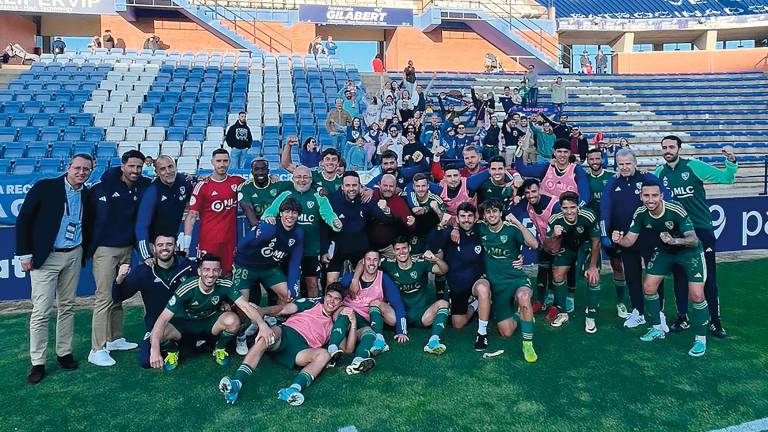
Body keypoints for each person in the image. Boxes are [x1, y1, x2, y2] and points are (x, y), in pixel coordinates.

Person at [16, 154, 94, 384]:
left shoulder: (87, 194)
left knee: (67, 306)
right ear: (68, 166)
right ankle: (37, 361)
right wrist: (24, 253)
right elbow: (24, 219)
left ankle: (64, 352)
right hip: (47, 257)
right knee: (41, 311)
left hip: (73, 254)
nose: (81, 172)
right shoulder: (46, 187)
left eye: (86, 169)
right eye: (77, 167)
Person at [612, 182, 710, 357]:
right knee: (649, 287)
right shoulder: (641, 213)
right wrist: (619, 239)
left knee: (696, 295)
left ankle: (701, 339)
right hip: (665, 251)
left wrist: (674, 241)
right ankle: (657, 328)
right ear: (641, 197)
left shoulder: (675, 210)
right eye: (646, 196)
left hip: (689, 252)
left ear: (661, 196)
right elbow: (630, 241)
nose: (650, 200)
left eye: (654, 196)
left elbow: (694, 240)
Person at [654, 135, 737, 337]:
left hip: (701, 230)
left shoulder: (694, 166)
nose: (668, 150)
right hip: (677, 233)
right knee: (680, 276)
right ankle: (682, 318)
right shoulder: (659, 173)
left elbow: (727, 178)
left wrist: (731, 161)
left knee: (708, 278)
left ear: (679, 149)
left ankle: (715, 321)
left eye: (671, 147)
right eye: (664, 147)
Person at [219, 283, 352, 406]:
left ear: (341, 302)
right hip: (286, 334)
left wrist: (353, 323)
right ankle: (237, 382)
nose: (331, 301)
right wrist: (263, 311)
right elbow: (283, 308)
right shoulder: (311, 304)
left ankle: (293, 390)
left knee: (324, 355)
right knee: (267, 336)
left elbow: (346, 349)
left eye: (336, 299)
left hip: (302, 350)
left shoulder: (336, 325)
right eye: (329, 296)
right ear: (325, 296)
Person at [149, 254, 273, 371]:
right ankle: (172, 351)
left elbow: (245, 306)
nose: (210, 274)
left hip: (209, 323)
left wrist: (262, 325)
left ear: (220, 272)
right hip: (185, 324)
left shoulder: (226, 285)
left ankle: (220, 348)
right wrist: (155, 350)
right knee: (158, 333)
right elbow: (163, 318)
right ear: (199, 271)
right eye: (206, 269)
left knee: (233, 320)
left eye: (215, 270)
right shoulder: (187, 287)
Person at [87, 150, 150, 367]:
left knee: (118, 295)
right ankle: (96, 349)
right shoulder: (105, 185)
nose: (135, 171)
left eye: (139, 167)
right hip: (105, 249)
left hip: (126, 249)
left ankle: (114, 338)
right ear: (123, 165)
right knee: (104, 297)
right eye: (131, 166)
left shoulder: (142, 185)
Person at [600, 149, 670, 328]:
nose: (624, 167)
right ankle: (637, 311)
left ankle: (659, 313)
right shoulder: (612, 182)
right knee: (632, 276)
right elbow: (605, 208)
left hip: (650, 237)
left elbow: (665, 200)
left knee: (654, 276)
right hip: (626, 239)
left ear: (635, 163)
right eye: (621, 164)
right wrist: (604, 233)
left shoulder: (648, 179)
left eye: (628, 163)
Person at [113, 234, 196, 368]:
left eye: (169, 244)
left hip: (184, 320)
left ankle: (181, 344)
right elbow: (118, 297)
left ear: (175, 247)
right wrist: (119, 279)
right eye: (160, 245)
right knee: (146, 361)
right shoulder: (144, 271)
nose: (165, 248)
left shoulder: (188, 267)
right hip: (156, 323)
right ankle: (171, 346)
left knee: (194, 348)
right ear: (153, 249)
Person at [262, 165, 342, 298]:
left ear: (311, 180)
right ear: (293, 179)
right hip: (287, 249)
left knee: (312, 283)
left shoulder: (318, 196)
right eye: (298, 177)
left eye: (305, 177)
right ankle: (285, 314)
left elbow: (329, 214)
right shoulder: (286, 195)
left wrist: (335, 222)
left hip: (310, 249)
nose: (302, 180)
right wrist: (268, 217)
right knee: (285, 283)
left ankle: (312, 313)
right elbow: (269, 212)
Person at [476, 199, 540, 362]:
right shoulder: (481, 228)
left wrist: (517, 221)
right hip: (498, 286)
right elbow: (461, 221)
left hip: (516, 279)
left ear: (500, 213)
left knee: (524, 298)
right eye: (488, 212)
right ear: (484, 215)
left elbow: (534, 244)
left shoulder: (511, 229)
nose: (492, 215)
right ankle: (520, 314)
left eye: (495, 211)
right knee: (506, 332)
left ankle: (528, 344)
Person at [429, 203, 492, 350]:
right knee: (458, 324)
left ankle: (482, 334)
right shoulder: (450, 233)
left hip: (477, 281)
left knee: (483, 288)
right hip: (458, 286)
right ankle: (476, 304)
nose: (467, 220)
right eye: (463, 216)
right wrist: (447, 227)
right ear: (457, 218)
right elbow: (431, 244)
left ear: (475, 217)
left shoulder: (481, 229)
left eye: (470, 216)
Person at [340, 250, 408, 374]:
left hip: (366, 319)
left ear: (379, 262)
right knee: (352, 337)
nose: (372, 263)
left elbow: (398, 304)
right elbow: (335, 292)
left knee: (370, 330)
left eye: (375, 259)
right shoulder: (352, 277)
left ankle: (363, 356)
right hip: (349, 315)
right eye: (369, 259)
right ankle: (338, 353)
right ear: (363, 262)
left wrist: (401, 331)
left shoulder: (384, 279)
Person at [381, 237, 450, 355]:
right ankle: (378, 341)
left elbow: (443, 270)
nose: (401, 252)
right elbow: (365, 262)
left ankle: (433, 342)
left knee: (443, 304)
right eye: (398, 249)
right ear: (393, 251)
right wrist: (356, 279)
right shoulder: (388, 264)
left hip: (421, 315)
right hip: (397, 315)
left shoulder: (420, 264)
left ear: (409, 248)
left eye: (404, 248)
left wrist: (436, 259)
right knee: (376, 304)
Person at [180, 149, 245, 275]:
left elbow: (256, 186)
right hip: (208, 241)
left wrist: (273, 179)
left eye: (225, 161)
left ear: (230, 162)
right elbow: (191, 216)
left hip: (229, 241)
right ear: (212, 162)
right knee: (208, 274)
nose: (222, 164)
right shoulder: (203, 185)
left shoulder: (237, 182)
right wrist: (186, 245)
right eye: (218, 161)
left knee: (228, 274)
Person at [546, 192, 602, 332]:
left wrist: (593, 266)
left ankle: (591, 316)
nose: (569, 211)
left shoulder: (589, 216)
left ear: (578, 206)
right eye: (565, 208)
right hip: (568, 246)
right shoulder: (554, 219)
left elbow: (596, 242)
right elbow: (547, 246)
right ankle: (563, 312)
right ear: (561, 208)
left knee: (593, 277)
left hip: (587, 245)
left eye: (572, 207)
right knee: (557, 274)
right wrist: (554, 234)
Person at [326, 171, 392, 284]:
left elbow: (384, 218)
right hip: (338, 247)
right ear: (342, 187)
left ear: (360, 186)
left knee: (360, 282)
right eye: (347, 185)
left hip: (360, 247)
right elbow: (324, 225)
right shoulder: (333, 201)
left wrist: (386, 210)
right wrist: (324, 249)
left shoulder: (366, 199)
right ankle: (330, 301)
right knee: (331, 282)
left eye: (354, 185)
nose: (351, 188)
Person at [585, 148, 627, 318]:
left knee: (617, 264)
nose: (594, 161)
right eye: (591, 159)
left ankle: (620, 302)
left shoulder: (613, 176)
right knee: (592, 266)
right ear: (587, 161)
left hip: (611, 227)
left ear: (602, 159)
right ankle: (593, 303)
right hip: (591, 227)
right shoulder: (584, 178)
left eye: (597, 158)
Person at [135, 155, 193, 266]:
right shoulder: (152, 191)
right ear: (157, 172)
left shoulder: (183, 182)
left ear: (175, 167)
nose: (168, 171)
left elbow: (198, 197)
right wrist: (146, 255)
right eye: (162, 169)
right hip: (153, 246)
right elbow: (141, 225)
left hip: (171, 243)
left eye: (170, 167)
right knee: (149, 280)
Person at [515, 139, 590, 203]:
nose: (562, 155)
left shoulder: (577, 171)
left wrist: (576, 209)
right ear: (554, 152)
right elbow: (523, 170)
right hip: (545, 212)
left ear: (570, 153)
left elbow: (585, 198)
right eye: (559, 151)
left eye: (565, 152)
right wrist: (519, 148)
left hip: (567, 212)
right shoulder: (546, 168)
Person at [237, 158, 292, 228]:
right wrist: (258, 227)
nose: (260, 172)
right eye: (257, 169)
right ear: (252, 172)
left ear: (268, 171)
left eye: (263, 169)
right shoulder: (246, 187)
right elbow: (247, 208)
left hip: (279, 226)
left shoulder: (278, 184)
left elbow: (298, 185)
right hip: (258, 227)